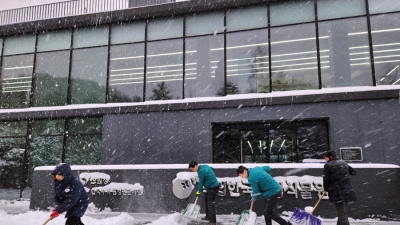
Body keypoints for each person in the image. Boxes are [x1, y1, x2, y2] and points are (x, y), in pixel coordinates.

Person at [323, 150, 357, 225]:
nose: (325, 160)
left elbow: (326, 178)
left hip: (337, 192)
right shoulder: (343, 163)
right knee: (342, 212)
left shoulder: (328, 165)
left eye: (325, 158)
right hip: (347, 191)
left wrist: (325, 188)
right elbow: (353, 172)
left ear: (330, 157)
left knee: (342, 214)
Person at [188, 161, 219, 225]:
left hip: (213, 187)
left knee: (211, 203)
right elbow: (211, 168)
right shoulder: (204, 166)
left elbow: (200, 182)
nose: (193, 170)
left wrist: (198, 191)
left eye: (193, 169)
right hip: (212, 186)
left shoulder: (201, 171)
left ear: (196, 166)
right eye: (191, 169)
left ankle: (213, 221)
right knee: (207, 201)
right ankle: (208, 216)